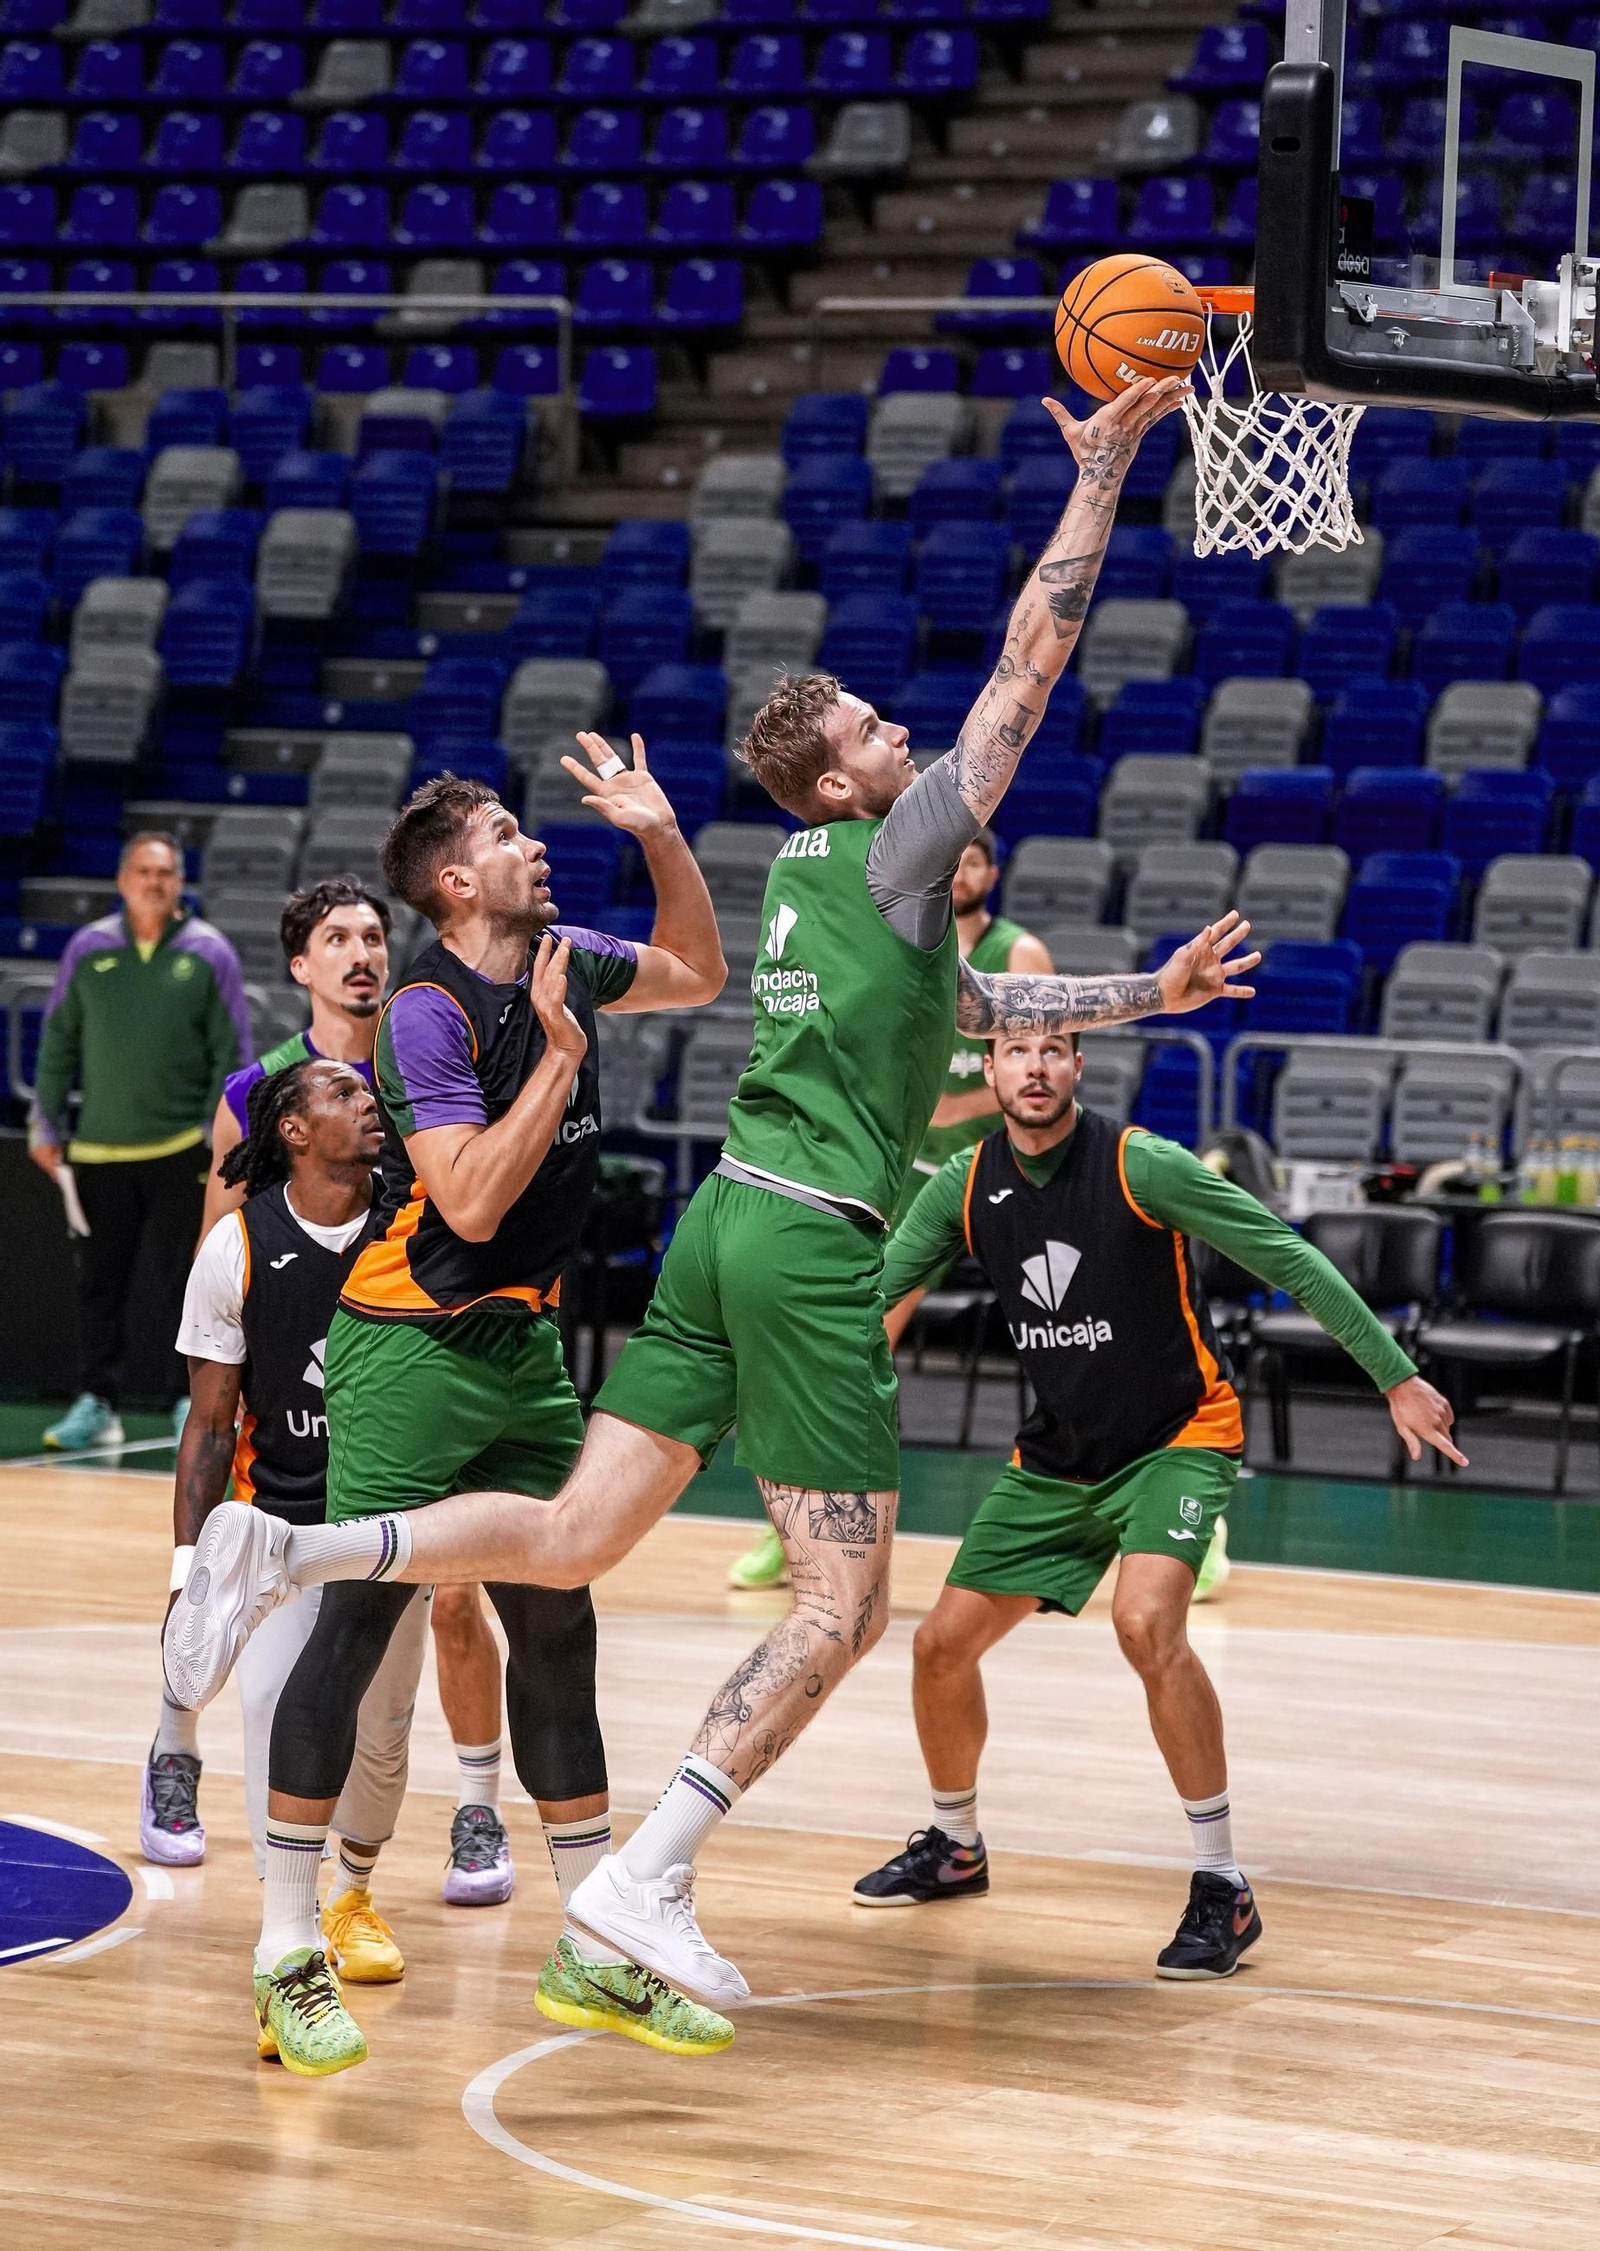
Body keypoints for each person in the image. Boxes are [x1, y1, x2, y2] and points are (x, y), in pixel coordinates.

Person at [167, 375, 1251, 2014]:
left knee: (575, 1536)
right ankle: (641, 1881)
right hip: (811, 1251)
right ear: (835, 785)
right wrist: (1100, 480)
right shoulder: (895, 845)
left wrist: (1141, 999)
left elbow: (966, 1020)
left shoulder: (826, 884)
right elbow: (1032, 662)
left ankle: (301, 1555)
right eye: (878, 737)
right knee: (848, 1600)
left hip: (721, 1229)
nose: (905, 741)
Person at [176, 735, 735, 2073]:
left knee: (560, 1621)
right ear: (453, 880)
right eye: (504, 833)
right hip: (410, 1342)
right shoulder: (430, 1007)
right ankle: (287, 1949)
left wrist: (661, 834)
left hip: (523, 1347)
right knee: (361, 1625)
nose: (533, 841)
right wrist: (553, 1058)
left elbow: (704, 971)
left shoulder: (571, 959)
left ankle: (597, 1938)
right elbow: (473, 1199)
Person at [848, 1028, 1466, 1975]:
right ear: (991, 1071)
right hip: (1058, 1456)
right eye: (1017, 1050)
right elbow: (869, 1300)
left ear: (1080, 1067)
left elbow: (1285, 1256)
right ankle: (955, 1843)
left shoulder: (1142, 1165)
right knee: (939, 1645)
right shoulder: (965, 1184)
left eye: (1055, 1048)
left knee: (1144, 1624)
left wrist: (1394, 1375)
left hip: (1181, 1435)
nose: (1037, 1066)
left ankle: (1223, 1882)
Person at [153, 876, 514, 1909]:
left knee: (422, 1658)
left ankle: (452, 1813)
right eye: (338, 937)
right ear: (300, 963)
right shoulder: (255, 1097)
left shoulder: (427, 1067)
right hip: (281, 1469)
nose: (362, 952)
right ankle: (187, 1766)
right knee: (247, 1657)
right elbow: (217, 1320)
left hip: (396, 1457)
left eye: (373, 935)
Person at [170, 1058, 434, 2077]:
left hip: (393, 1523)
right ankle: (291, 1950)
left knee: (383, 1730)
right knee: (273, 1710)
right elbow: (204, 1429)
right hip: (280, 1525)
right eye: (342, 1094)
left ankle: (353, 1889)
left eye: (371, 1094)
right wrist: (186, 1570)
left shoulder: (418, 1222)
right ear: (289, 1127)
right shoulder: (235, 1246)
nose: (369, 1103)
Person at [728, 824, 1052, 1591]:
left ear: (991, 871)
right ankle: (798, 1524)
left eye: (974, 858)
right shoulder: (901, 935)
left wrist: (952, 1104)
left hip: (999, 1167)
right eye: (954, 856)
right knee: (855, 1341)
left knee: (1078, 1340)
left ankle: (1188, 1522)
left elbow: (1039, 1062)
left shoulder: (1019, 953)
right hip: (908, 1177)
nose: (961, 868)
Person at [30, 832, 251, 1452]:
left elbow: (231, 1056)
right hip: (99, 1151)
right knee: (99, 1285)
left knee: (192, 1282)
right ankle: (98, 1403)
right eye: (144, 871)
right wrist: (47, 1126)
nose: (155, 882)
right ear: (123, 879)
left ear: (180, 882)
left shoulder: (210, 953)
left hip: (182, 1148)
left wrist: (221, 1143)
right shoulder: (88, 948)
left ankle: (197, 1401)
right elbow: (56, 1044)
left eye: (166, 873)